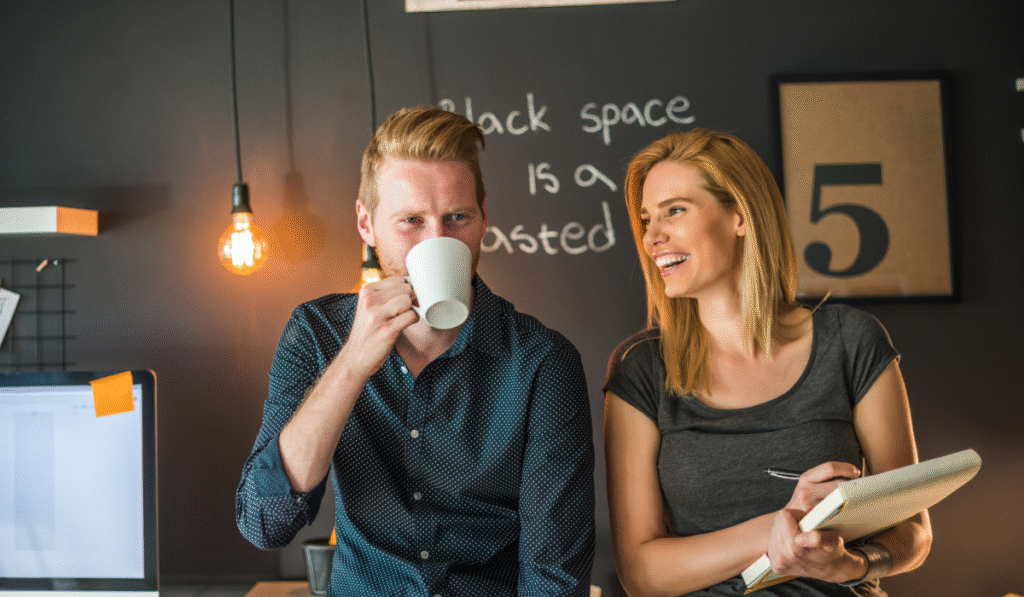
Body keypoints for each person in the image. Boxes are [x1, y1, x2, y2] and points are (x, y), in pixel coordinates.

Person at [236, 106, 595, 596]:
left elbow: (554, 575)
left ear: (484, 220)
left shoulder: (542, 361)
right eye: (410, 221)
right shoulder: (317, 333)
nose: (436, 240)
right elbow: (265, 521)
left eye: (457, 218)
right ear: (366, 224)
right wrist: (351, 365)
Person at [602, 128, 931, 597]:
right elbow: (641, 574)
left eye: (674, 210)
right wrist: (784, 526)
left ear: (740, 215)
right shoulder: (641, 367)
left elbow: (913, 531)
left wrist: (851, 565)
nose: (651, 237)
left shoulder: (850, 340)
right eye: (645, 218)